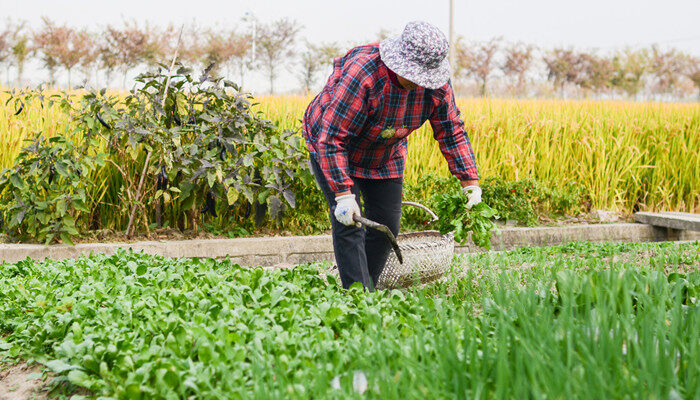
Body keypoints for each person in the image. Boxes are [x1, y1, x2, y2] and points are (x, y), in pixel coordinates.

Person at [302, 21, 481, 291]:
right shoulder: (364, 74)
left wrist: (470, 182)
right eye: (414, 75)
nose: (419, 82)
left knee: (387, 225)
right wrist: (343, 194)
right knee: (350, 222)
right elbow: (332, 138)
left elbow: (451, 130)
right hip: (335, 147)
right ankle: (357, 297)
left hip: (385, 152)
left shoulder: (436, 87)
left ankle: (367, 289)